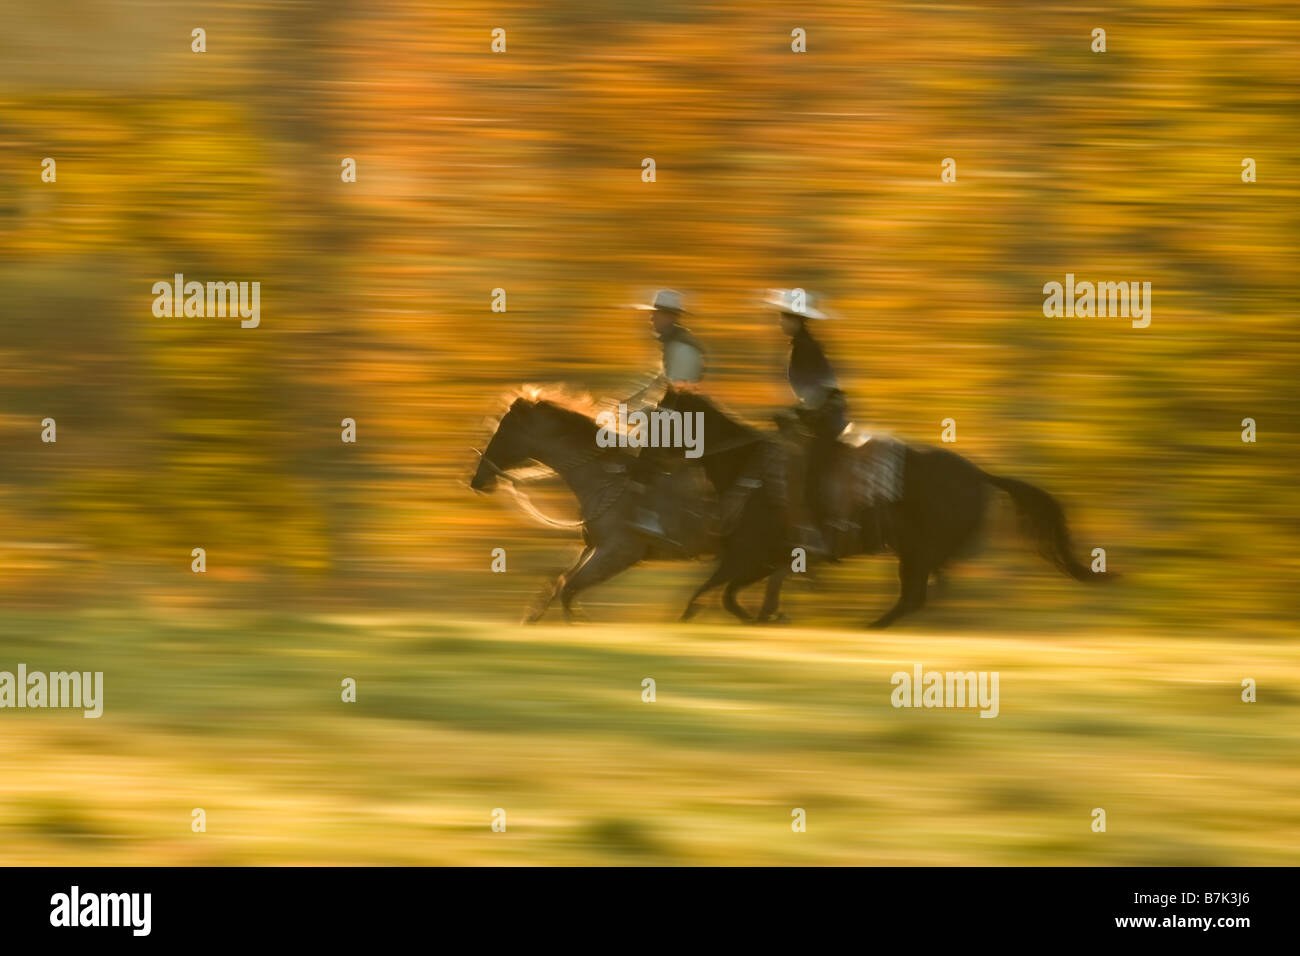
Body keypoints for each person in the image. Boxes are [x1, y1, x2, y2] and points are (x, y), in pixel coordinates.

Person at [766, 288, 849, 558]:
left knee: (809, 472)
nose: (779, 321)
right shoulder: (802, 346)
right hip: (819, 416)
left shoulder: (806, 348)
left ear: (797, 320)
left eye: (784, 316)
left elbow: (817, 393)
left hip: (826, 420)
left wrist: (795, 413)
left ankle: (822, 533)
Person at [625, 290, 707, 544]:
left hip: (685, 419)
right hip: (677, 414)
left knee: (646, 452)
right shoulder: (672, 344)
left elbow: (677, 392)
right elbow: (658, 382)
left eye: (655, 314)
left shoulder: (681, 348)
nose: (651, 319)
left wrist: (643, 412)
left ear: (669, 317)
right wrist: (626, 403)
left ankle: (650, 515)